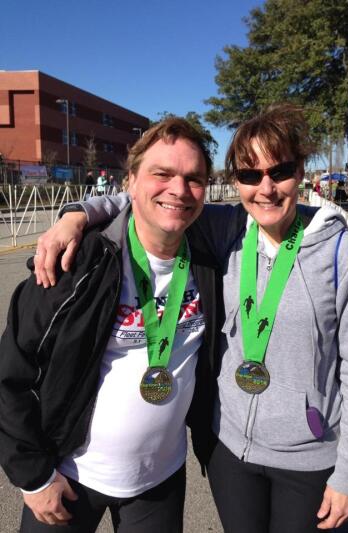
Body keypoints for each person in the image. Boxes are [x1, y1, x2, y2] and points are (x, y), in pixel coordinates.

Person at [32, 104, 348, 532]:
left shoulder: (342, 254)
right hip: (228, 449)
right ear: (234, 180)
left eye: (281, 171)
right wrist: (78, 214)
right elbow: (155, 195)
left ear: (301, 172)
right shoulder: (227, 229)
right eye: (250, 175)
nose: (266, 188)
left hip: (307, 456)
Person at [0, 118, 221, 532]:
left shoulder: (211, 255)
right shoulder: (76, 261)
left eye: (193, 179)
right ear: (131, 182)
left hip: (159, 480)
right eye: (162, 174)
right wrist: (32, 476)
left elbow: (277, 215)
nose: (178, 189)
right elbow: (12, 373)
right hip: (69, 477)